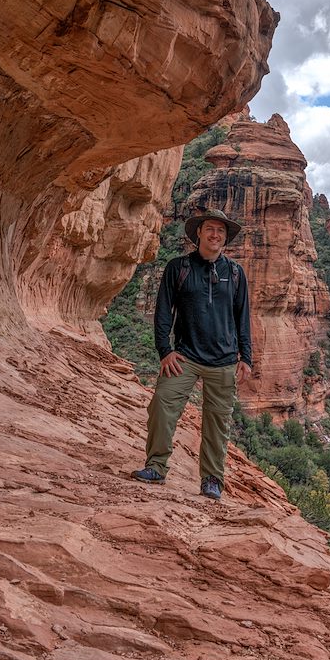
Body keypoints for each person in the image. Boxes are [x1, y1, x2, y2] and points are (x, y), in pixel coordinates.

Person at [132, 208, 252, 499]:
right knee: (161, 405)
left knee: (217, 422)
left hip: (223, 362)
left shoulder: (235, 273)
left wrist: (245, 356)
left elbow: (243, 316)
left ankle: (211, 479)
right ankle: (156, 467)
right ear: (198, 232)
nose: (215, 234)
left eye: (221, 231)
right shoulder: (179, 267)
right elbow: (163, 313)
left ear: (225, 237)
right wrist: (165, 351)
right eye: (210, 229)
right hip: (185, 357)